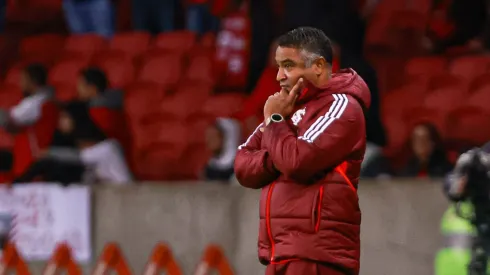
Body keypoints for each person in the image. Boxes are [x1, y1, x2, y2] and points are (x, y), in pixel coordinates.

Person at [234, 27, 369, 275]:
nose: (278, 77)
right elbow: (243, 165)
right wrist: (280, 151)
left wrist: (275, 124)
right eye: (278, 66)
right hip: (281, 253)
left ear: (318, 66)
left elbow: (297, 161)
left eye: (288, 65)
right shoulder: (287, 109)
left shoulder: (343, 106)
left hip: (315, 256)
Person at [0, 64, 59, 178]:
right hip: (41, 155)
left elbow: (9, 118)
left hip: (32, 157)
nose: (20, 83)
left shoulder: (35, 102)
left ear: (32, 81)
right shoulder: (49, 98)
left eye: (23, 79)